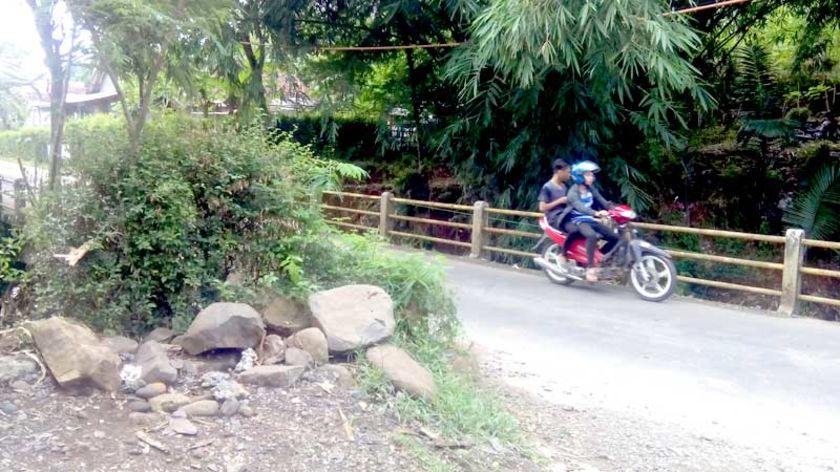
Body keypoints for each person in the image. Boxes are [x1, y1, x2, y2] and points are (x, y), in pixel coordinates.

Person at [558, 160, 619, 282]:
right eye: (588, 175)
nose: (592, 177)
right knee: (591, 236)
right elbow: (581, 207)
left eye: (592, 175)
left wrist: (616, 209)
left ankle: (597, 258)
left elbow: (602, 200)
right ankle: (590, 269)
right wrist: (596, 213)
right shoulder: (572, 192)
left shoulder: (591, 189)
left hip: (590, 219)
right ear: (580, 177)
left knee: (615, 237)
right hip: (577, 220)